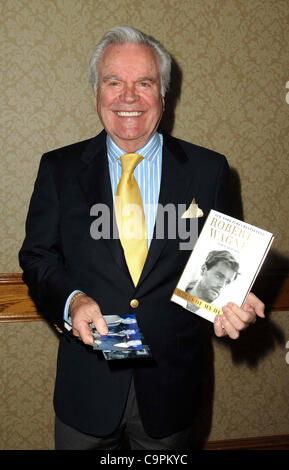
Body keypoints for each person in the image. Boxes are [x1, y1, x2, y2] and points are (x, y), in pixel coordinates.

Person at [19, 26, 265, 450]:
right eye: (114, 82)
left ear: (163, 97)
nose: (128, 97)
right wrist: (72, 299)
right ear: (97, 94)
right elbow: (38, 259)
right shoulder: (58, 170)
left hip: (170, 392)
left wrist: (234, 300)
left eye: (144, 83)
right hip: (87, 391)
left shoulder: (209, 171)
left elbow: (225, 260)